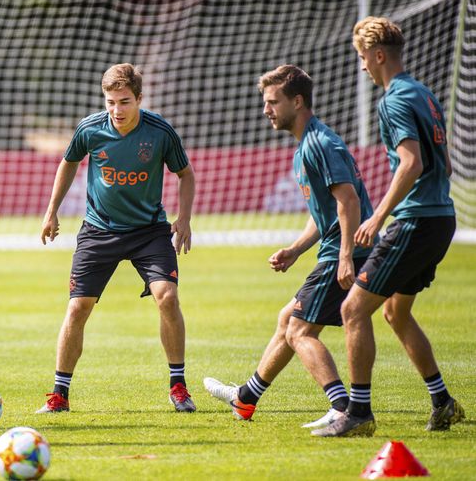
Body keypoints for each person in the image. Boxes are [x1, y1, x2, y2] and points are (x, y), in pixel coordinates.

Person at [312, 17, 464, 437]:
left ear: (378, 56)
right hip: (441, 216)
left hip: (415, 220)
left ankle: (358, 412)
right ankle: (442, 401)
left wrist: (378, 216)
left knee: (352, 309)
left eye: (362, 57)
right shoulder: (425, 94)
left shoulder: (395, 98)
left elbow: (412, 162)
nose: (361, 66)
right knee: (396, 312)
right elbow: (444, 162)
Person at [203, 65, 375, 428]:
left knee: (298, 332)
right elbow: (324, 211)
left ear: (297, 102)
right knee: (287, 320)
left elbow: (349, 202)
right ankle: (245, 399)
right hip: (336, 251)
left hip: (342, 255)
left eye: (272, 102)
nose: (266, 109)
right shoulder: (306, 146)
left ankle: (344, 409)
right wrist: (296, 249)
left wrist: (345, 257)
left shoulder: (319, 144)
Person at [37, 63, 197, 413]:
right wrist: (52, 211)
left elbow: (185, 174)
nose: (116, 110)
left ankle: (179, 387)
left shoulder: (160, 132)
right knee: (78, 307)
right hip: (99, 229)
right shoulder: (90, 129)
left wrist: (183, 218)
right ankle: (59, 394)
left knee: (167, 298)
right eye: (110, 102)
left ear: (140, 98)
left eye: (124, 102)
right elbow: (68, 163)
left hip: (149, 230)